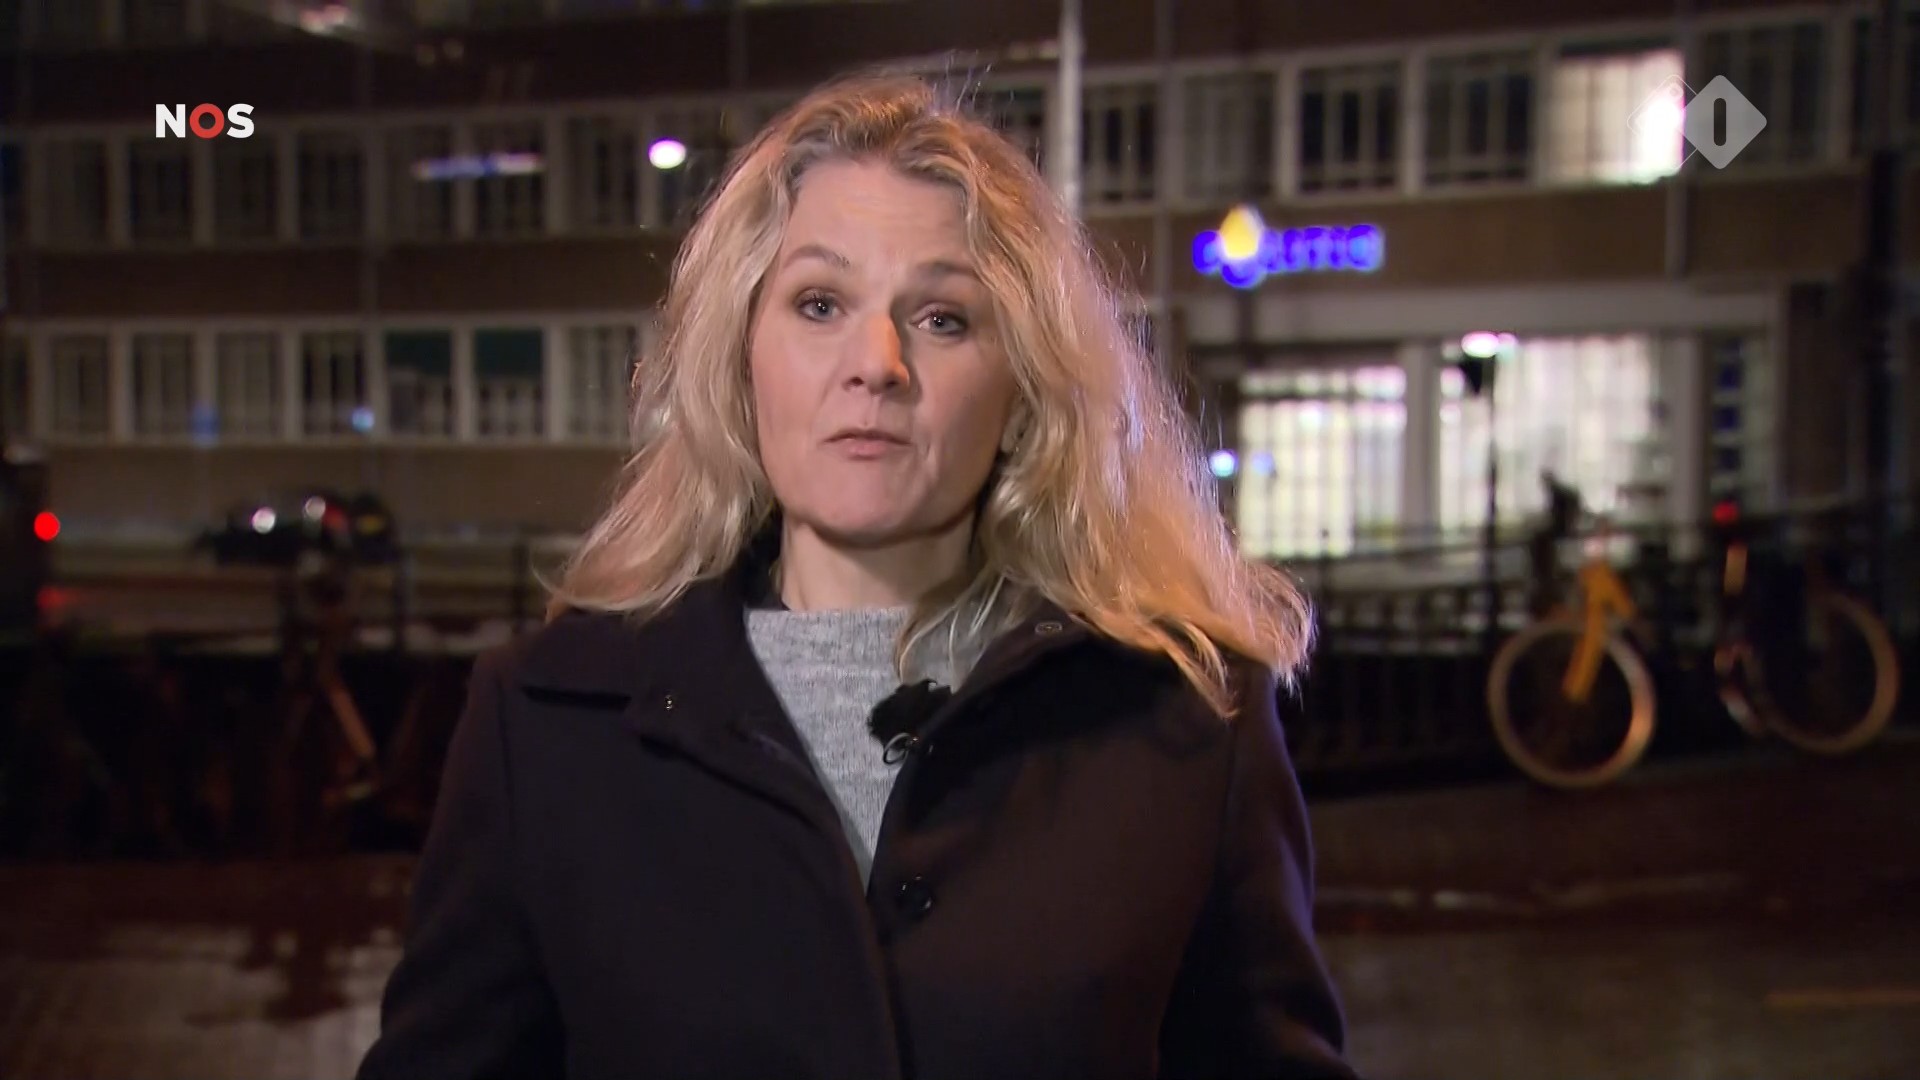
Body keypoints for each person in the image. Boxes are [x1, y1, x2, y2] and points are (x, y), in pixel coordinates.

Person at [356, 72, 1358, 1080]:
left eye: (944, 318)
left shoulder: (1187, 725)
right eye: (820, 303)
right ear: (741, 360)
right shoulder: (546, 725)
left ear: (1023, 395)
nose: (876, 362)